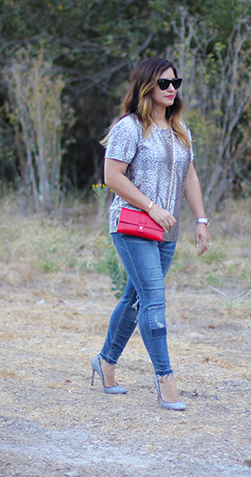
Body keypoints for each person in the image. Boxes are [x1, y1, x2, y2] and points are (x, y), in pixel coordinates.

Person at [90, 57, 211, 411]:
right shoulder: (129, 127)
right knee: (154, 301)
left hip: (167, 232)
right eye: (163, 83)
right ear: (146, 86)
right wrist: (152, 207)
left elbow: (189, 176)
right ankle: (165, 379)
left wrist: (200, 220)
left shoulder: (180, 130)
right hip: (132, 226)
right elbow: (113, 177)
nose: (171, 88)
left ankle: (105, 361)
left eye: (176, 82)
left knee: (135, 299)